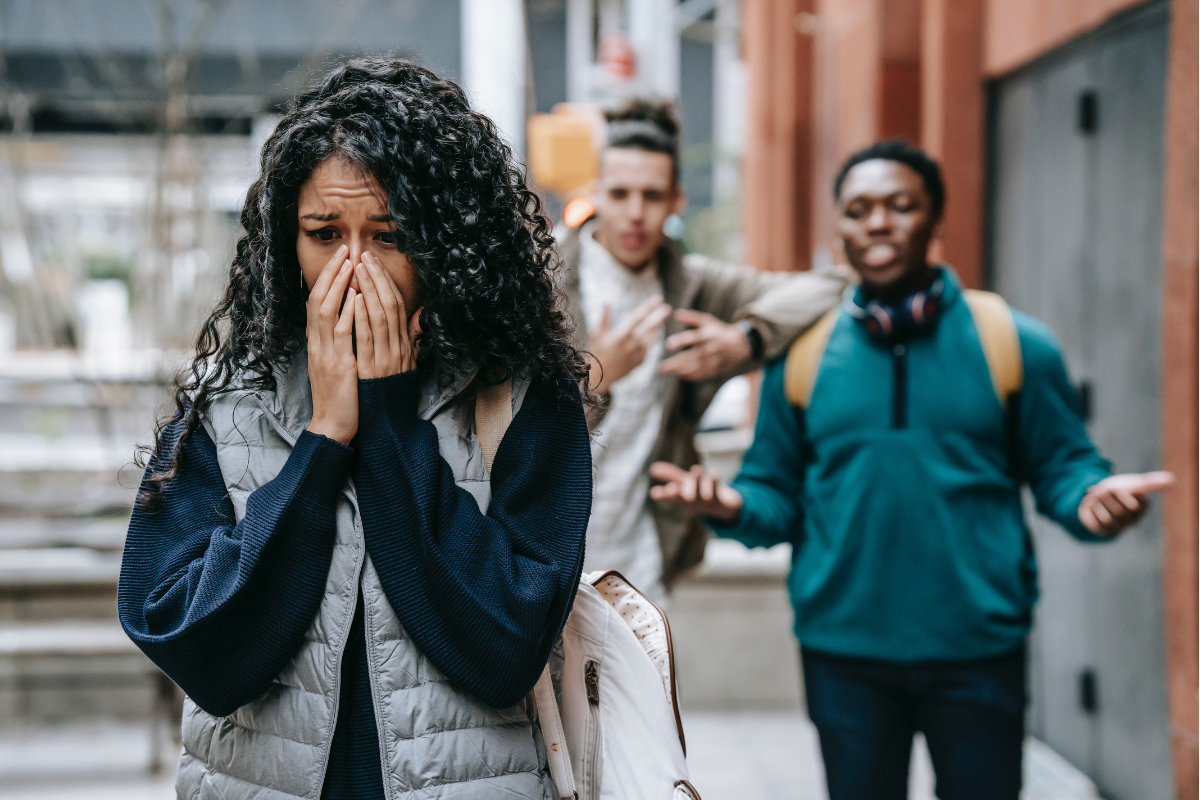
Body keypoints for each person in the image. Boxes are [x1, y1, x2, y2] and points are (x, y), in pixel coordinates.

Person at [117, 58, 592, 800]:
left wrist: (391, 422)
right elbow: (194, 646)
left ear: (447, 243)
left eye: (389, 236)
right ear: (287, 242)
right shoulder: (228, 398)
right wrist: (324, 440)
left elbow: (504, 648)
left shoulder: (523, 395)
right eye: (324, 234)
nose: (355, 268)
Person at [649, 140, 1174, 799]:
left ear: (936, 220)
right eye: (859, 209)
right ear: (839, 229)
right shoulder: (802, 358)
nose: (878, 222)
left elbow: (1064, 467)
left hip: (978, 650)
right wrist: (729, 508)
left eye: (901, 206)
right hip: (845, 654)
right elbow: (774, 496)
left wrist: (1091, 501)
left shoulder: (1013, 342)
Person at [557, 98, 847, 601]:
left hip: (642, 560)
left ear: (676, 201)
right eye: (620, 193)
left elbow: (836, 285)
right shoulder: (545, 282)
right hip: (547, 551)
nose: (634, 213)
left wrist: (746, 339)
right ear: (596, 193)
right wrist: (593, 374)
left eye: (651, 196)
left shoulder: (692, 286)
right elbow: (499, 428)